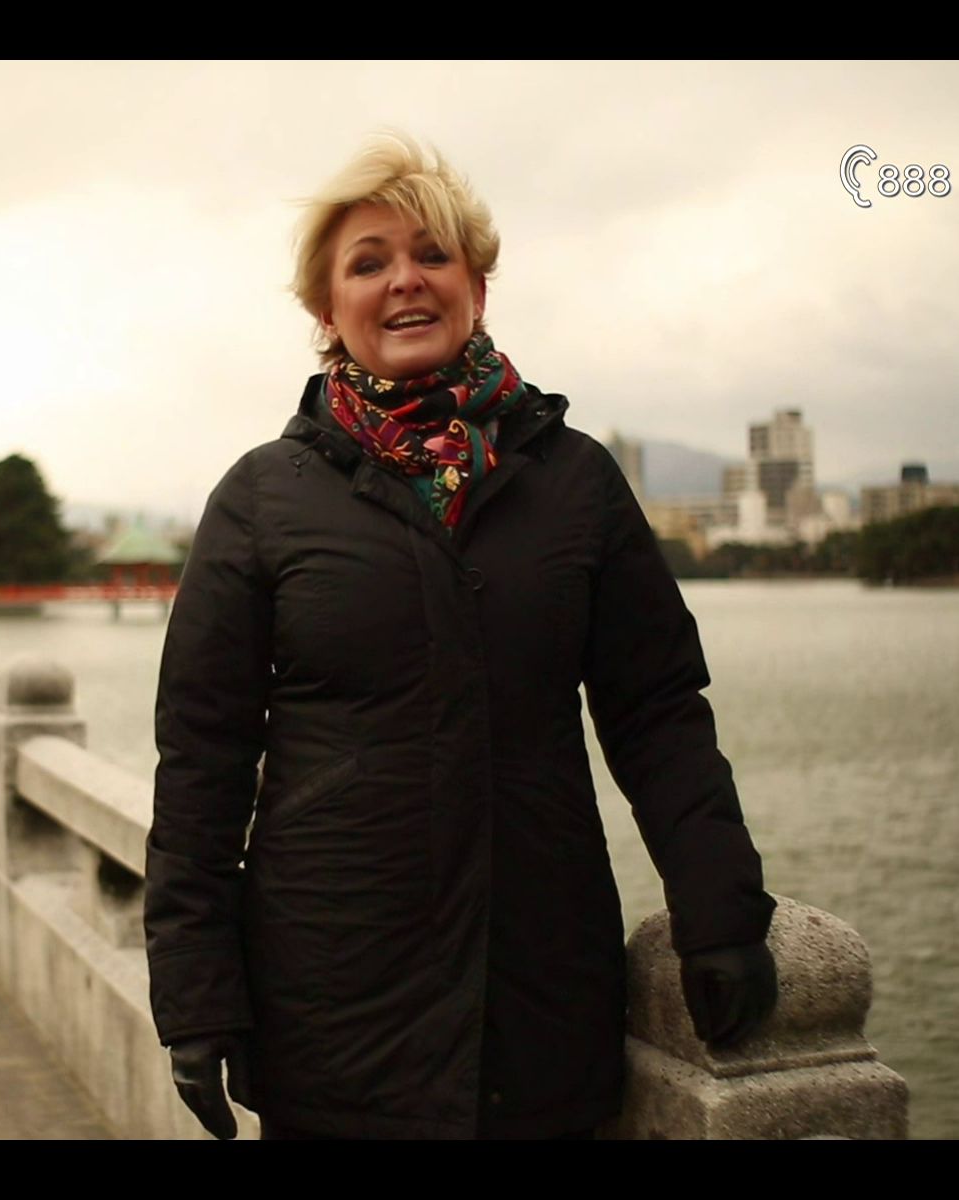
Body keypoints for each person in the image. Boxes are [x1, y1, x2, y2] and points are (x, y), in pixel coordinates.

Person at [144, 133, 778, 1141]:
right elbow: (202, 761)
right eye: (368, 263)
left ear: (476, 288)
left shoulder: (573, 481)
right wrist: (195, 993)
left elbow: (657, 712)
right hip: (330, 1011)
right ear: (327, 312)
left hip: (538, 1000)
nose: (405, 280)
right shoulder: (264, 498)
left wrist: (721, 912)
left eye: (432, 255)